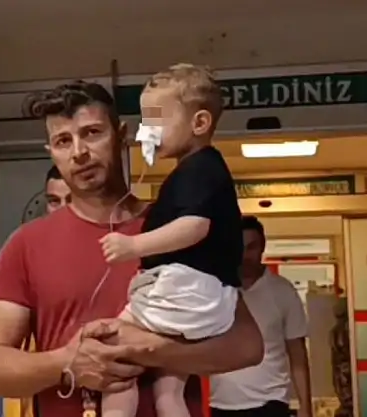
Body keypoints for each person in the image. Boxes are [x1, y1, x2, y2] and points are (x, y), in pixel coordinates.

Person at [0, 80, 263, 417]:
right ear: (52, 152)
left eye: (92, 133)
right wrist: (67, 362)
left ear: (122, 135)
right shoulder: (26, 244)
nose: (79, 152)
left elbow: (247, 347)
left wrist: (150, 348)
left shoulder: (174, 229)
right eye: (63, 141)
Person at [98, 64, 243, 417]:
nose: (147, 129)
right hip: (208, 299)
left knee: (116, 358)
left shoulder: (199, 169)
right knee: (169, 389)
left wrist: (133, 246)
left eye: (157, 119)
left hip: (184, 291)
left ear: (199, 123)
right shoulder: (202, 169)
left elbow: (194, 227)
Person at [0, 166, 71, 417]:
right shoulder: (29, 248)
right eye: (54, 201)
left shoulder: (117, 245)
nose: (62, 210)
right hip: (46, 395)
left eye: (70, 200)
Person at [210, 216, 312, 417]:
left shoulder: (283, 291)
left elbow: (298, 356)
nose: (245, 255)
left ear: (263, 247)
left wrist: (306, 408)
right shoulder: (216, 289)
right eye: (239, 248)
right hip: (222, 403)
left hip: (270, 402)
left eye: (252, 247)